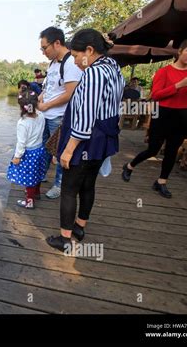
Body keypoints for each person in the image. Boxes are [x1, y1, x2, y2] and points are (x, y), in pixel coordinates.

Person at [45, 29, 124, 252]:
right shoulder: (113, 67)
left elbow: (85, 118)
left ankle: (65, 239)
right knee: (88, 184)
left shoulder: (93, 73)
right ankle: (79, 227)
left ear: (89, 51)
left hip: (86, 140)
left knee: (69, 188)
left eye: (76, 56)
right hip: (103, 137)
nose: (76, 62)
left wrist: (68, 149)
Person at [122, 35, 187, 198]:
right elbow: (156, 95)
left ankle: (161, 182)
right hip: (163, 113)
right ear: (180, 51)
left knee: (172, 150)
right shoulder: (164, 71)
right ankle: (130, 165)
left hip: (183, 113)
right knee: (153, 148)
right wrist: (180, 84)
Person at [37, 26, 83, 199]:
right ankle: (41, 176)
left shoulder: (71, 62)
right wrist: (40, 99)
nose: (43, 52)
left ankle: (59, 184)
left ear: (57, 43)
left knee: (60, 151)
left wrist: (47, 106)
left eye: (44, 47)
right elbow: (49, 88)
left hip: (59, 116)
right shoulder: (53, 63)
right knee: (45, 149)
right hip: (47, 115)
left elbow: (70, 93)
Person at [6, 86, 48, 209]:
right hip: (40, 150)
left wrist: (17, 156)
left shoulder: (23, 123)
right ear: (36, 103)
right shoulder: (41, 116)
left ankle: (29, 201)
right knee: (38, 173)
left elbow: (21, 143)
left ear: (21, 107)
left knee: (29, 178)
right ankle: (37, 193)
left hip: (28, 153)